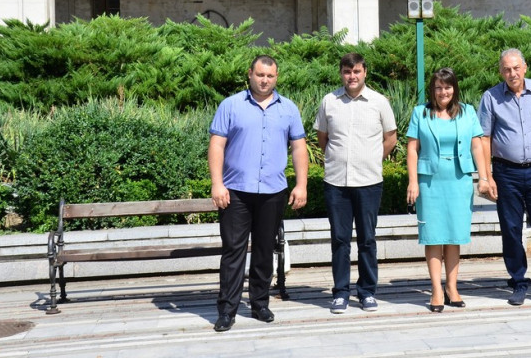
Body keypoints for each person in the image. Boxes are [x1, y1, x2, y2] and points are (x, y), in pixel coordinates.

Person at [208, 55, 309, 332]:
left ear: (276, 77)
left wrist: (302, 185)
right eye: (260, 75)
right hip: (236, 191)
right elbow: (217, 145)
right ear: (250, 74)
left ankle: (260, 304)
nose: (265, 80)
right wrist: (217, 184)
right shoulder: (231, 105)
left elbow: (299, 148)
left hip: (272, 191)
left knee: (265, 250)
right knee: (233, 252)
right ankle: (227, 310)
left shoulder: (288, 108)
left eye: (270, 76)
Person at [478, 48, 531, 306]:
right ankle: (518, 281)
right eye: (506, 69)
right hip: (506, 173)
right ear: (500, 71)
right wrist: (487, 175)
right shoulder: (491, 97)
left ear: (525, 67)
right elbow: (484, 138)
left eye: (516, 68)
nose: (512, 73)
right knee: (511, 230)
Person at [315, 52, 397, 314]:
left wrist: (371, 159)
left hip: (369, 182)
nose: (352, 76)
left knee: (367, 239)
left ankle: (367, 291)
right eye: (347, 72)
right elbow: (322, 138)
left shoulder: (379, 102)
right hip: (336, 182)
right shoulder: (329, 101)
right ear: (341, 73)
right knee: (339, 239)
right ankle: (340, 292)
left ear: (365, 72)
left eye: (357, 71)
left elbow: (390, 138)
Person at [406, 68, 493, 312]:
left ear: (454, 88)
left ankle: (452, 287)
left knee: (454, 236)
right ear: (432, 90)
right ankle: (436, 289)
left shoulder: (467, 112)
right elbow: (412, 148)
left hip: (459, 180)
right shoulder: (420, 113)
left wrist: (483, 177)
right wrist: (413, 181)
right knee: (433, 236)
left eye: (448, 87)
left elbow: (477, 145)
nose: (443, 92)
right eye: (438, 87)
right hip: (430, 182)